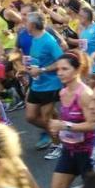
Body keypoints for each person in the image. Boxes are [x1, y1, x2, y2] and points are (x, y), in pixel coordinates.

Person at [46, 52, 95, 188]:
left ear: (77, 70)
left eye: (64, 69)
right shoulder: (62, 92)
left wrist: (65, 126)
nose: (60, 73)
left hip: (88, 152)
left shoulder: (85, 94)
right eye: (58, 69)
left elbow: (94, 125)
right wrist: (56, 129)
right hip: (69, 150)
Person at [24, 12, 64, 158]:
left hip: (50, 84)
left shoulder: (48, 40)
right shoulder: (34, 38)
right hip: (37, 84)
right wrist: (27, 69)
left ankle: (58, 144)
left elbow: (61, 61)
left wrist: (42, 70)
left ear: (33, 25)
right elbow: (37, 60)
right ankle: (63, 130)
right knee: (30, 116)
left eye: (26, 21)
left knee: (47, 118)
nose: (24, 24)